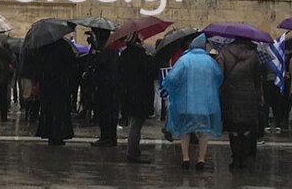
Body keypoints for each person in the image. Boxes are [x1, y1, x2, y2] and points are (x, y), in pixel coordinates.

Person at [162, 34, 223, 170]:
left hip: (186, 103)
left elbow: (172, 79)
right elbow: (219, 77)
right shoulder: (210, 61)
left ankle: (186, 158)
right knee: (203, 132)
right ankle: (201, 159)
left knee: (185, 130)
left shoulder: (184, 59)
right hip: (206, 104)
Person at [217, 37, 263, 170]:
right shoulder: (254, 55)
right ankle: (244, 158)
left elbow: (220, 75)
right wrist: (259, 96)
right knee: (246, 128)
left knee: (233, 128)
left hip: (230, 94)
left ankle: (236, 158)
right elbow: (257, 78)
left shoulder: (224, 52)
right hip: (249, 94)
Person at [120, 32, 158, 163]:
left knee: (134, 123)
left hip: (128, 93)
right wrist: (149, 57)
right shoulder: (140, 55)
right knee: (136, 125)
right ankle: (133, 152)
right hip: (140, 95)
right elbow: (151, 71)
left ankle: (133, 151)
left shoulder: (125, 54)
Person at [34, 38, 77, 146]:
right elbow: (72, 64)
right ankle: (59, 134)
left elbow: (38, 64)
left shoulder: (44, 47)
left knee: (48, 109)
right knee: (60, 110)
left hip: (47, 83)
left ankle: (49, 133)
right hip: (60, 84)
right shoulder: (64, 46)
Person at [90, 29, 120, 148]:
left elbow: (100, 62)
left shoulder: (104, 46)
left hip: (105, 85)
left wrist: (94, 54)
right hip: (112, 84)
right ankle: (111, 137)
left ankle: (106, 137)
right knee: (111, 112)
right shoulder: (113, 45)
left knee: (104, 112)